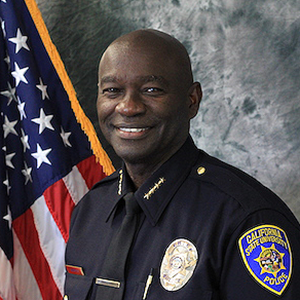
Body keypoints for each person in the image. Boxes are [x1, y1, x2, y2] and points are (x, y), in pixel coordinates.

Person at [64, 29, 300, 300]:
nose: (128, 107)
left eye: (151, 90)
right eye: (112, 91)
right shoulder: (90, 210)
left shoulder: (245, 220)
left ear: (192, 100)